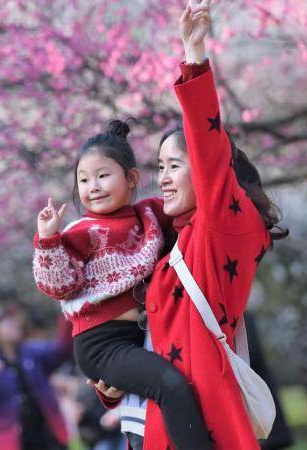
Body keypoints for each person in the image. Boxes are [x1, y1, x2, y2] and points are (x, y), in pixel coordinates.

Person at [94, 0, 288, 448]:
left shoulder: (224, 230)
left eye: (174, 166)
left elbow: (210, 152)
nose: (161, 179)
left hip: (199, 430)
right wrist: (115, 380)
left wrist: (194, 54)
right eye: (159, 167)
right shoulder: (174, 244)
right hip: (149, 426)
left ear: (205, 173)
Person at [32, 114, 215, 449]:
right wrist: (48, 241)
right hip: (100, 343)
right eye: (84, 180)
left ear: (131, 178)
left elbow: (192, 208)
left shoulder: (149, 215)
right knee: (171, 386)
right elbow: (58, 284)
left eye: (103, 176)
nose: (94, 187)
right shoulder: (80, 232)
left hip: (136, 336)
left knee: (178, 385)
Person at [0, 304, 72, 450]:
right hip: (9, 442)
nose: (15, 325)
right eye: (7, 322)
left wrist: (69, 309)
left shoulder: (33, 353)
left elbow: (62, 350)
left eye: (14, 321)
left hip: (48, 436)